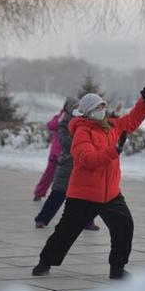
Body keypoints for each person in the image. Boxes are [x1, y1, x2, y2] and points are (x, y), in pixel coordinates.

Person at [32, 85, 145, 280]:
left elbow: (133, 119)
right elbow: (88, 160)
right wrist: (114, 150)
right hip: (84, 194)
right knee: (66, 232)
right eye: (98, 107)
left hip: (111, 194)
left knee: (124, 227)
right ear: (88, 113)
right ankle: (45, 262)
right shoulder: (82, 132)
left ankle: (117, 268)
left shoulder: (113, 125)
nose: (102, 110)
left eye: (103, 106)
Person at [34, 97, 99, 231]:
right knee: (58, 194)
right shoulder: (63, 124)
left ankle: (88, 222)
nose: (77, 109)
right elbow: (65, 142)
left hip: (82, 165)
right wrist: (81, 144)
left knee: (86, 195)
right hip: (66, 165)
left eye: (78, 106)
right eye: (74, 106)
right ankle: (42, 219)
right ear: (69, 108)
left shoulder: (85, 121)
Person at [33, 110, 63, 201]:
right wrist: (60, 119)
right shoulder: (59, 117)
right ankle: (39, 193)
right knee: (49, 174)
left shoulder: (77, 118)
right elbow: (51, 125)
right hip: (56, 153)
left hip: (69, 154)